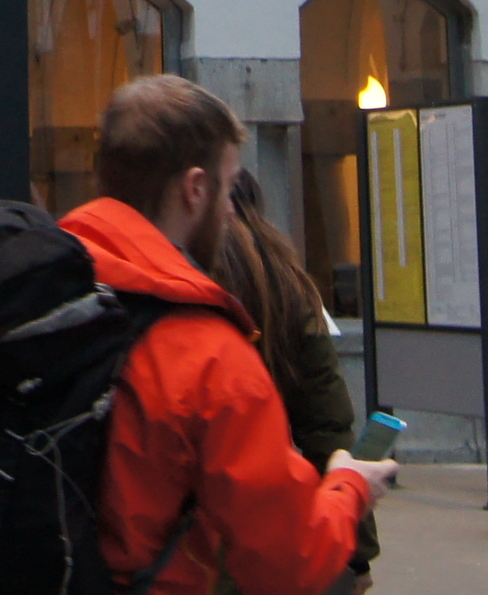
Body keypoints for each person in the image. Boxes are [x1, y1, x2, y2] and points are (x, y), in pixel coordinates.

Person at [64, 78, 394, 594]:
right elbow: (290, 560)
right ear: (195, 188)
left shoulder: (25, 298)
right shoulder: (206, 354)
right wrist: (351, 486)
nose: (228, 208)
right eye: (226, 183)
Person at [214, 171, 374, 593]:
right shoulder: (289, 286)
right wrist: (357, 556)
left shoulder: (176, 278)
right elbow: (328, 429)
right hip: (266, 517)